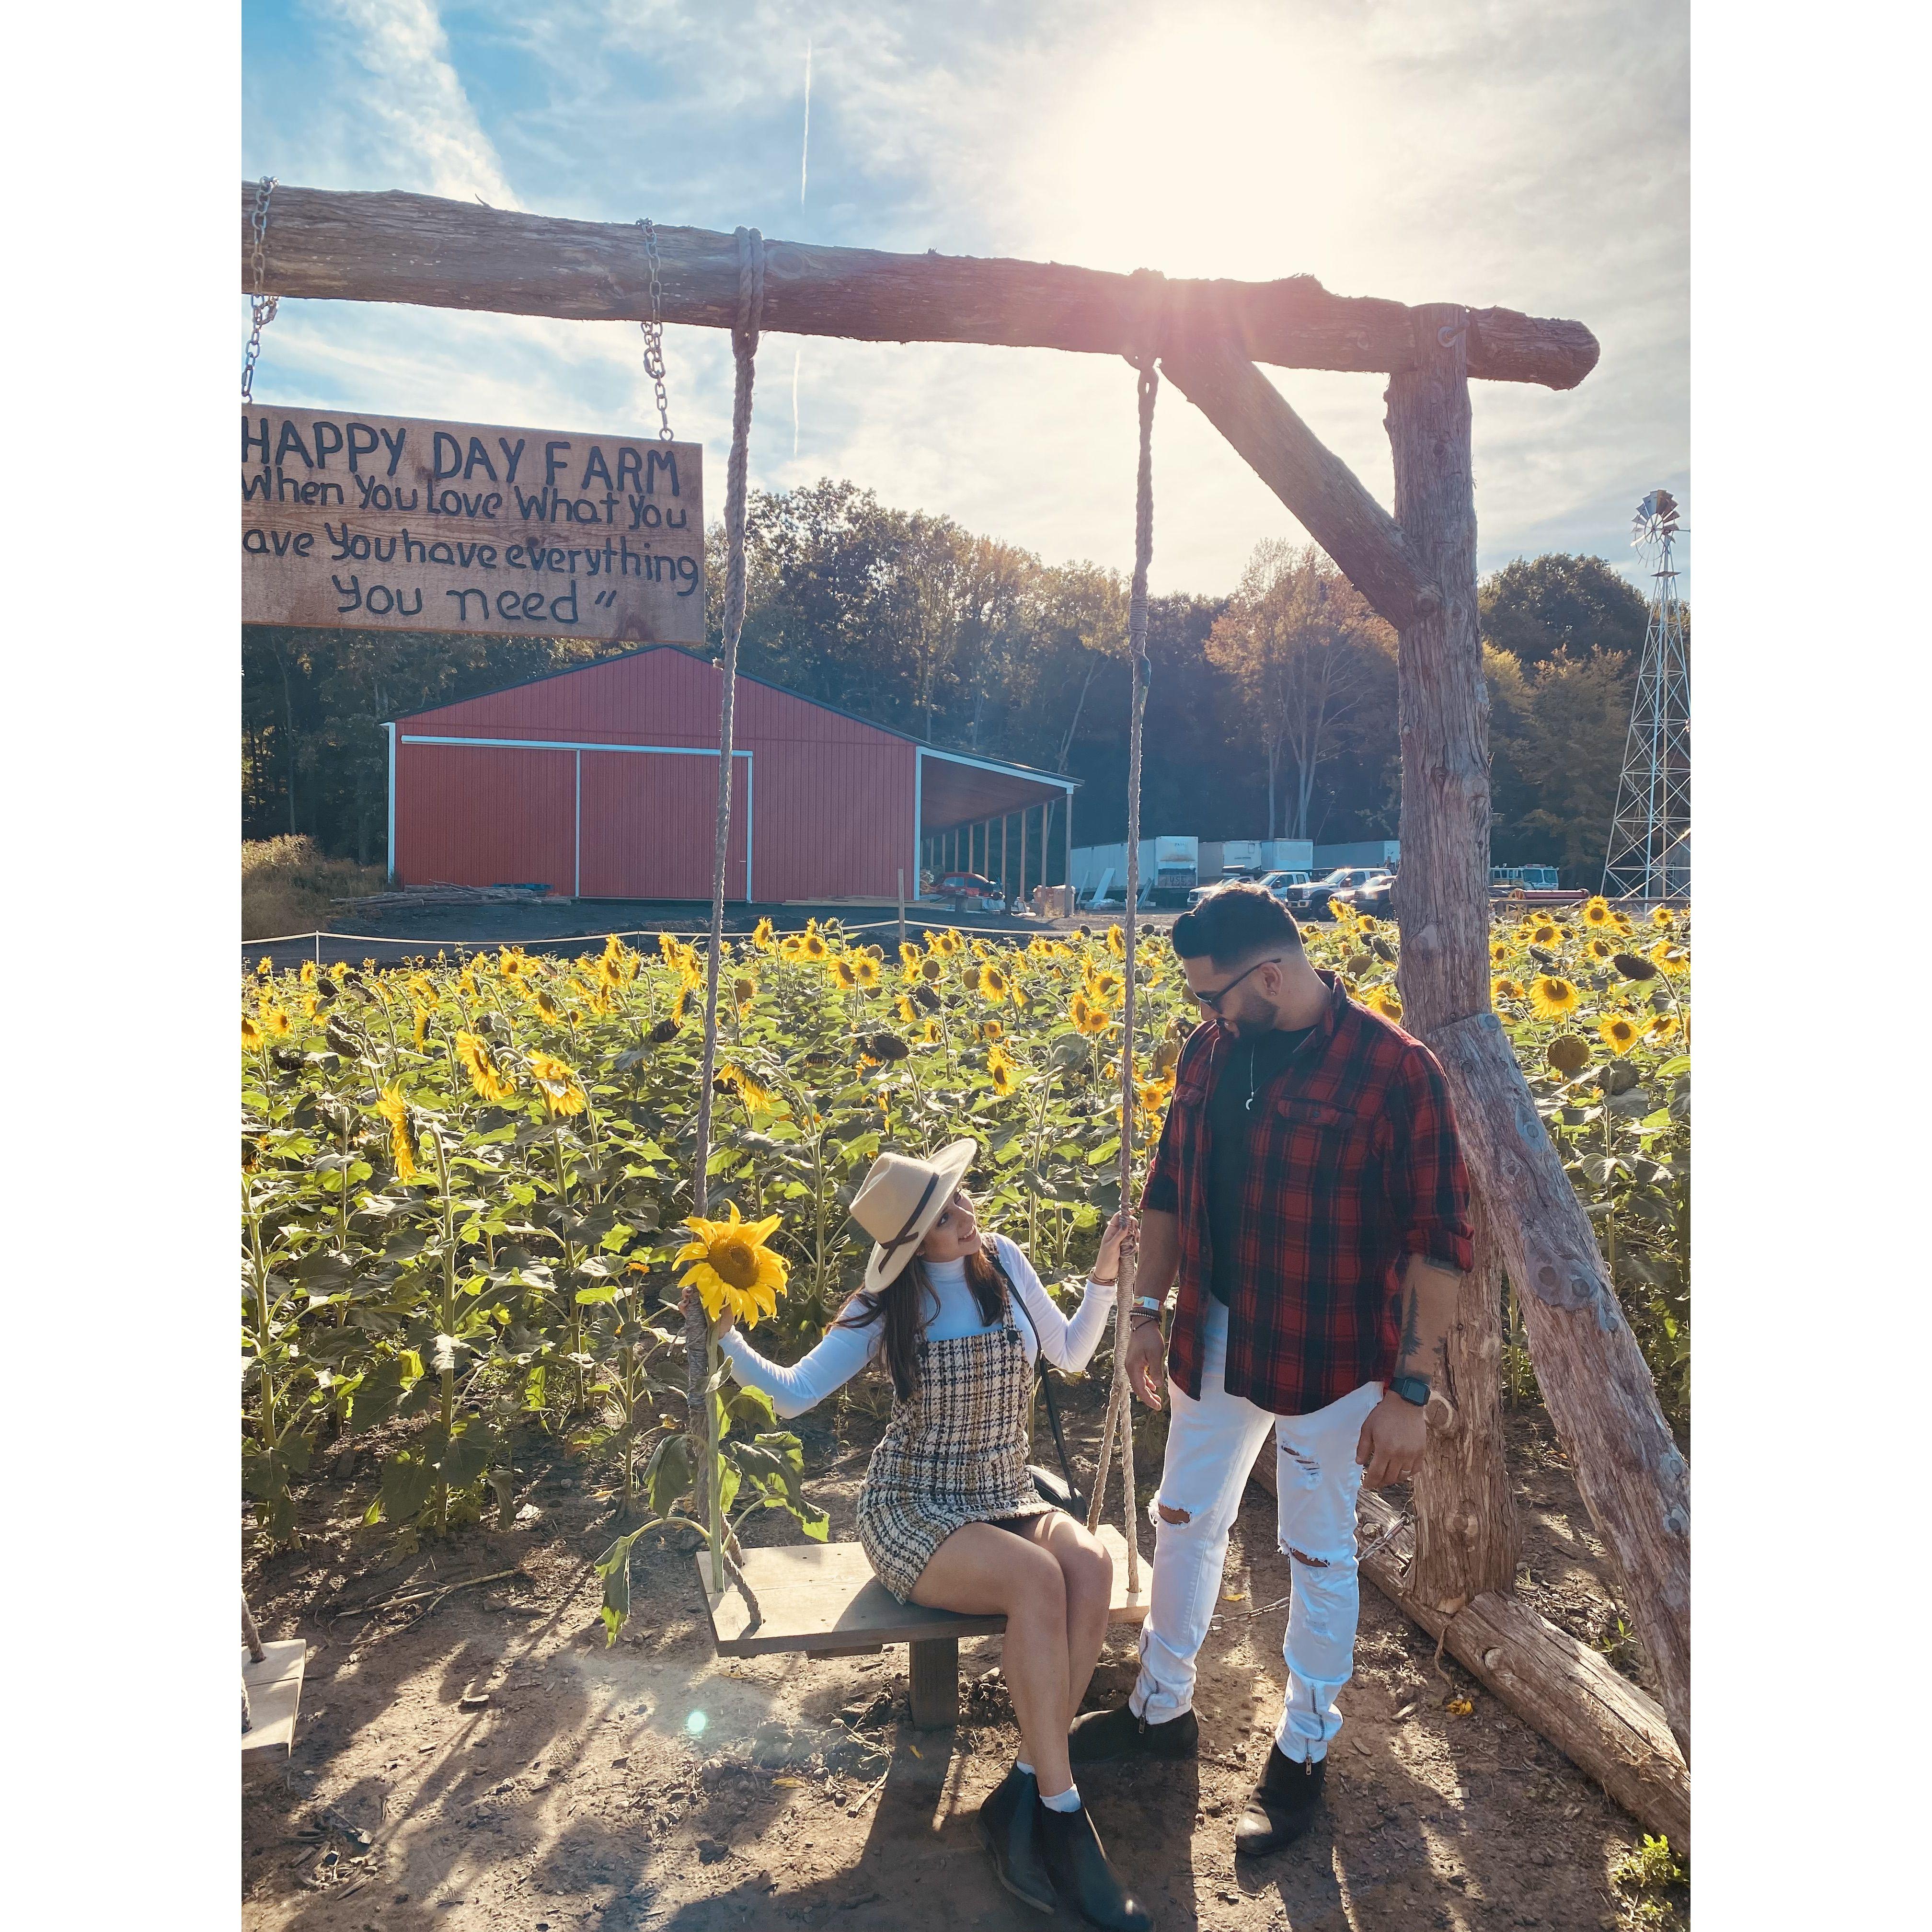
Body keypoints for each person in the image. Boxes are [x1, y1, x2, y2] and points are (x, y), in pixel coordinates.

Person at [1068, 884, 1473, 1859]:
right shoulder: (1210, 1051)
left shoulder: (1394, 1070)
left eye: (1214, 996)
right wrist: (1147, 1313)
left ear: (1275, 975)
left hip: (1334, 1352)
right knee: (1182, 1518)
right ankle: (1160, 1708)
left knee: (1317, 1549)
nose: (1204, 1014)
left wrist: (1411, 1391)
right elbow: (1169, 1186)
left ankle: (1302, 1752)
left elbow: (1440, 1243)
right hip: (1215, 1331)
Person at [705, 1140, 1155, 1932]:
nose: (965, 1216)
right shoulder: (884, 1308)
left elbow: (1071, 1354)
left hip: (1003, 1490)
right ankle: (1063, 1815)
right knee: (1037, 1580)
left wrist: (1103, 1277)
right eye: (944, 1218)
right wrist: (724, 1339)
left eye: (960, 1199)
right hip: (913, 1508)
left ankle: (1027, 1785)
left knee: (1087, 1563)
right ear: (912, 1247)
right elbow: (794, 1394)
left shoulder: (1004, 1261)